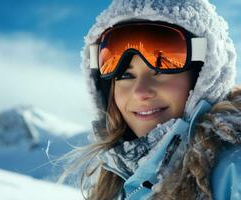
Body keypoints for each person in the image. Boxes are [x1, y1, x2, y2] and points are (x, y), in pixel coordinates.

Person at [60, 0, 241, 199]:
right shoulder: (118, 183)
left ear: (204, 77)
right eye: (126, 76)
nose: (140, 92)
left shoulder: (232, 172)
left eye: (159, 70)